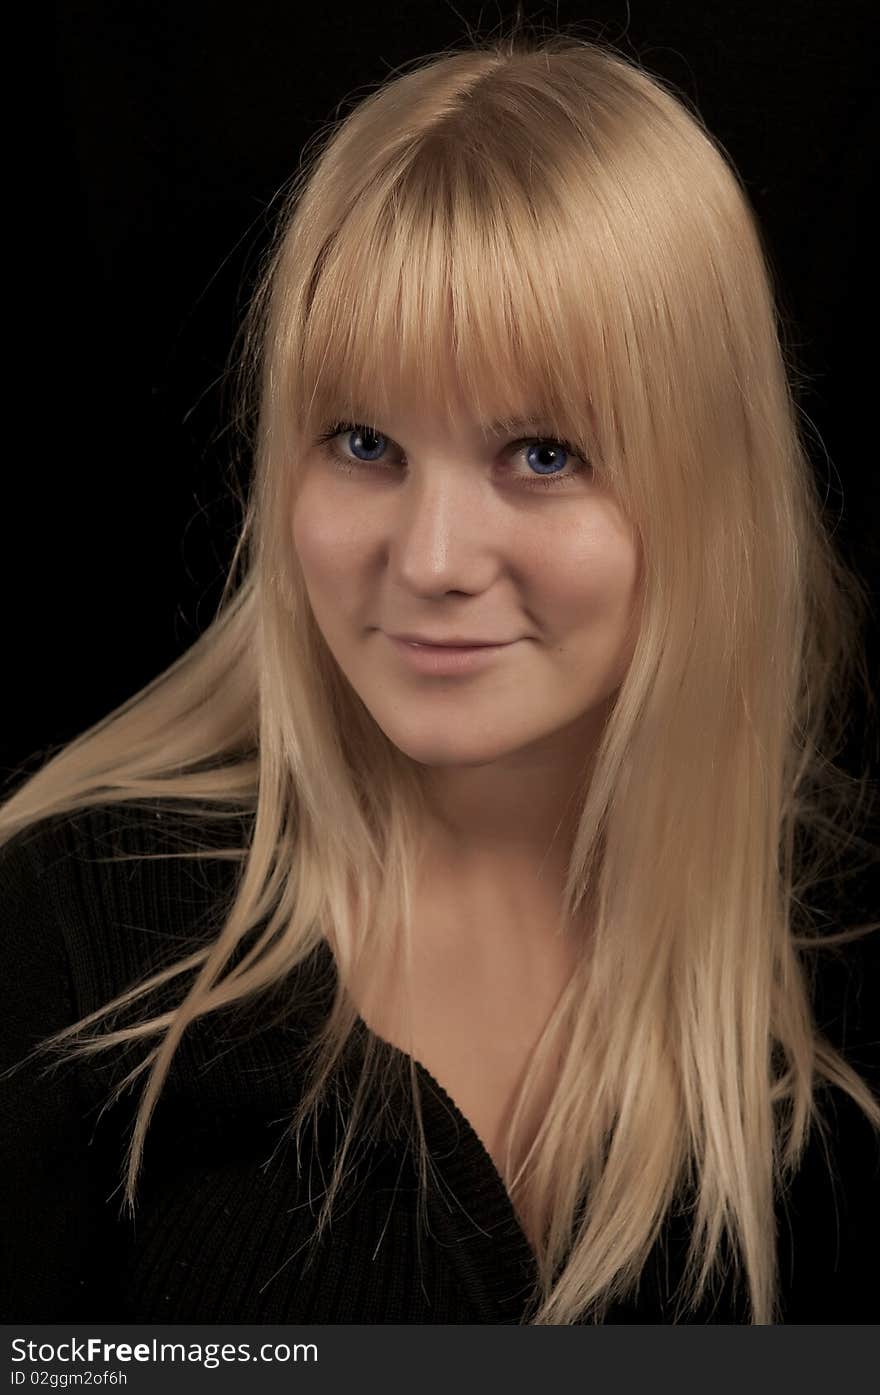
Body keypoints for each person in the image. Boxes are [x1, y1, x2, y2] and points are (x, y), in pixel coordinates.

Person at [1, 26, 878, 1326]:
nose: (430, 558)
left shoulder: (833, 965)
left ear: (710, 492)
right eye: (363, 441)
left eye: (540, 454)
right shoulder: (65, 938)